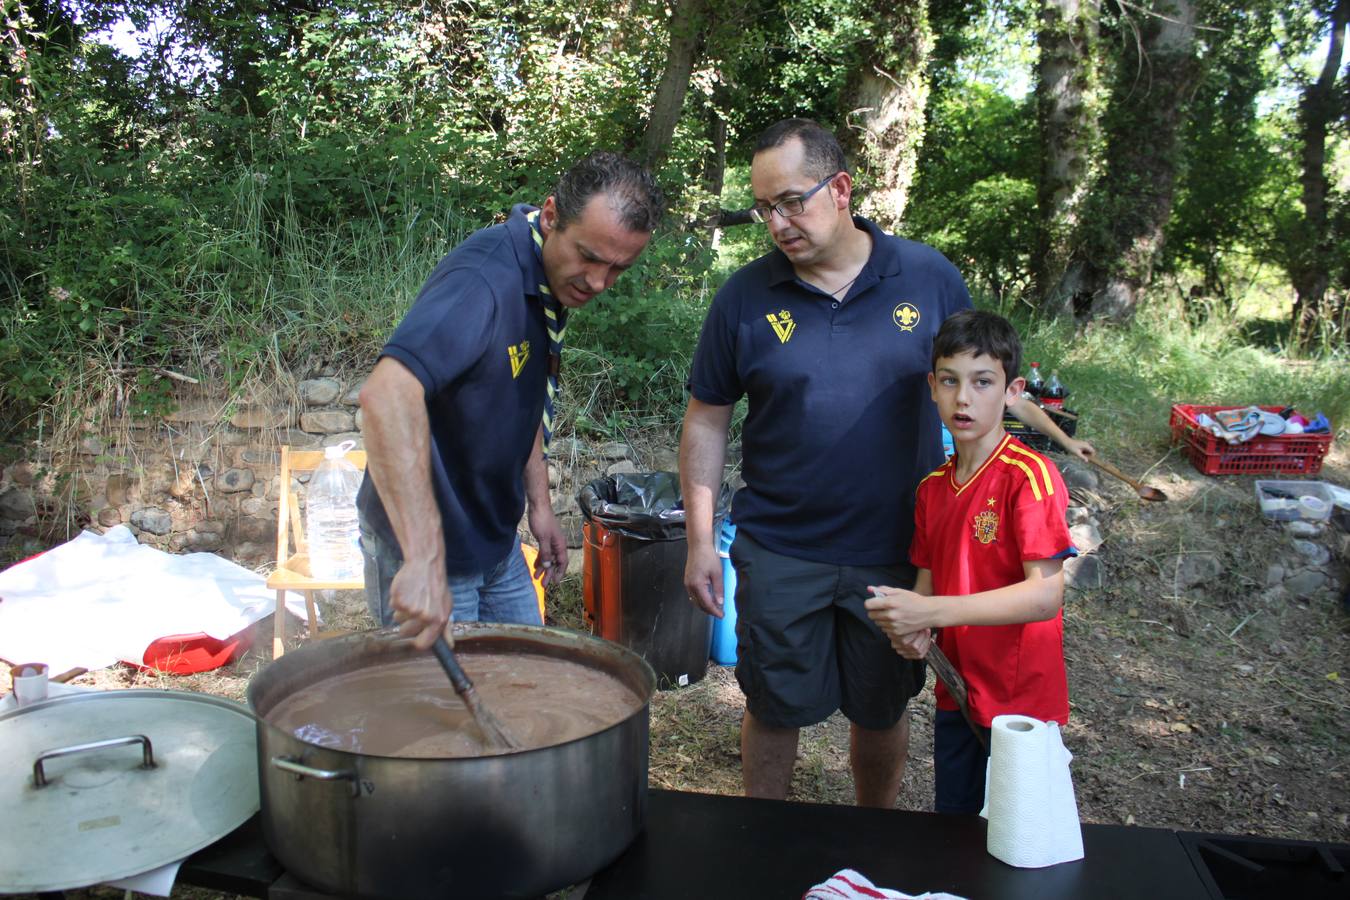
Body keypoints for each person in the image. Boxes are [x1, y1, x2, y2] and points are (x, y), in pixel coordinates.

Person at [679, 118, 1084, 808]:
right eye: (763, 207)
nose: (777, 222)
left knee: (881, 707)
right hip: (780, 548)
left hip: (899, 550)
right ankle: (761, 840)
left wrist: (1054, 451)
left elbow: (982, 387)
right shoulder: (744, 297)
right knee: (774, 705)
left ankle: (878, 836)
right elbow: (706, 418)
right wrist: (698, 542)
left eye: (791, 201)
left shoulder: (926, 277)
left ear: (840, 189)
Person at [358, 152, 664, 650]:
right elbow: (386, 395)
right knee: (440, 718)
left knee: (526, 683)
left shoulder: (545, 281)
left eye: (617, 269)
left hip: (495, 542)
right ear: (550, 216)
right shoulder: (483, 280)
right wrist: (423, 559)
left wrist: (539, 507)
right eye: (588, 256)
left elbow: (520, 402)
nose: (598, 282)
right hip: (429, 549)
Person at [864, 309, 1076, 814]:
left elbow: (1045, 594)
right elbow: (926, 591)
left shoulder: (1029, 476)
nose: (964, 398)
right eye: (950, 381)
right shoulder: (932, 489)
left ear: (1012, 390)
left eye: (983, 382)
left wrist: (932, 615)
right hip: (957, 692)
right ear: (932, 387)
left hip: (1019, 700)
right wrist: (909, 625)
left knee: (1017, 839)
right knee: (955, 830)